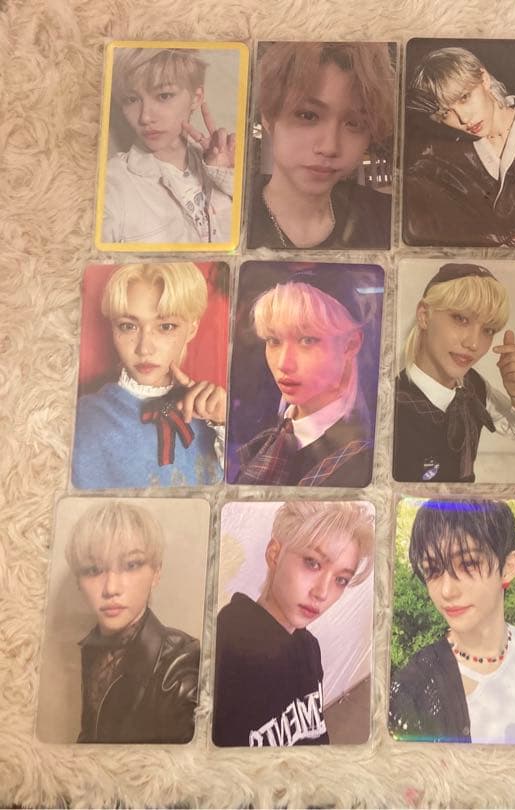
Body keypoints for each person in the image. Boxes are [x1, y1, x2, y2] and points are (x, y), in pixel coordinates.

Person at [212, 500, 375, 746]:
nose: (322, 593)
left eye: (340, 579)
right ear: (274, 554)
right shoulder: (223, 651)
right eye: (313, 563)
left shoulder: (309, 647)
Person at [389, 499, 515, 744]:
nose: (447, 590)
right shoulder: (412, 688)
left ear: (508, 567)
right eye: (433, 570)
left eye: (468, 564)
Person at [72, 262, 226, 488]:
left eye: (166, 326)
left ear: (192, 328)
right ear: (113, 329)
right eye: (128, 326)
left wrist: (225, 426)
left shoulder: (217, 418)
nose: (144, 349)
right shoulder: (82, 419)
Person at [65, 501, 200, 743]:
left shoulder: (182, 663)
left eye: (131, 565)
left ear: (156, 572)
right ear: (78, 581)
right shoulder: (91, 649)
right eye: (93, 570)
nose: (111, 588)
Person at [393, 263, 515, 483]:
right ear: (424, 315)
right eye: (461, 319)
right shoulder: (388, 406)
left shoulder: (473, 385)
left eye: (488, 330)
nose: (473, 344)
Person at [247, 42, 395, 249]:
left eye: (354, 123)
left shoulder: (386, 219)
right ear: (268, 116)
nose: (330, 147)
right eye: (308, 115)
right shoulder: (227, 216)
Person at [234, 270, 375, 487]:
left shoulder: (361, 465)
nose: (284, 364)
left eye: (307, 340)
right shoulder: (266, 435)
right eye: (273, 341)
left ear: (351, 344)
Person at [403, 46, 515, 247]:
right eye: (446, 113)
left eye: (464, 98)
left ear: (484, 79)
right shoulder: (445, 163)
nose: (463, 118)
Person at [102, 46, 236, 245]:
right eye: (132, 99)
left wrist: (227, 178)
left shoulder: (222, 168)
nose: (145, 117)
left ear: (196, 98)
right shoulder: (112, 183)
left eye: (163, 96)